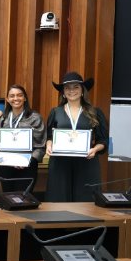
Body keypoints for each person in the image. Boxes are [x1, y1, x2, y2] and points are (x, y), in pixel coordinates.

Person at [45, 72, 109, 202]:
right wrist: (49, 145)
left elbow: (104, 140)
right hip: (60, 164)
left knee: (86, 202)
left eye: (76, 87)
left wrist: (95, 149)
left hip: (86, 162)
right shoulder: (55, 112)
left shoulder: (95, 112)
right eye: (67, 88)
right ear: (63, 92)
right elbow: (49, 136)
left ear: (82, 91)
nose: (71, 91)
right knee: (59, 201)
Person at [0, 84, 45, 196]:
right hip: (6, 166)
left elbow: (41, 144)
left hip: (26, 166)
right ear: (7, 99)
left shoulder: (35, 118)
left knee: (23, 200)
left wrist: (28, 160)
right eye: (12, 96)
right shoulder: (3, 118)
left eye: (19, 95)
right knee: (8, 199)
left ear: (25, 98)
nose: (16, 98)